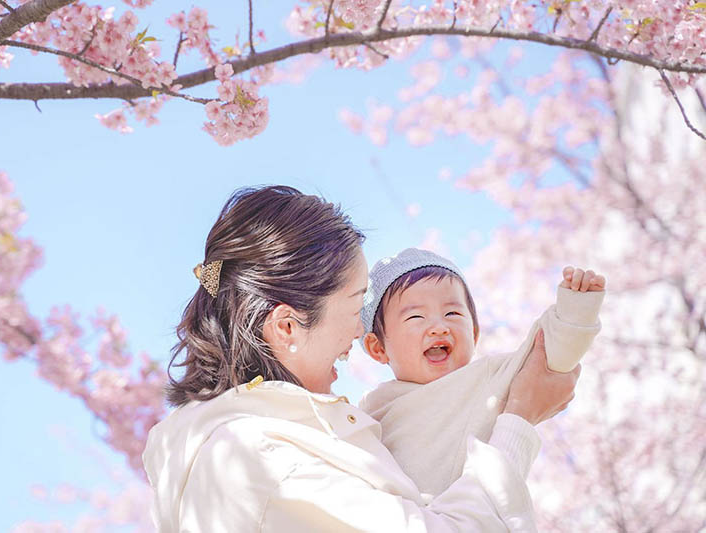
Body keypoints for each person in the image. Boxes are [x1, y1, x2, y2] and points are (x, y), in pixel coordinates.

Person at [142, 186, 580, 533]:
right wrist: (519, 419)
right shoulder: (271, 460)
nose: (359, 332)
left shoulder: (256, 443)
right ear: (288, 327)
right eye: (355, 308)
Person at [358, 248, 605, 496]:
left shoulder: (488, 379)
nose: (439, 327)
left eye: (452, 313)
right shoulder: (369, 414)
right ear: (378, 347)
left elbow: (547, 359)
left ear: (474, 334)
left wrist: (575, 311)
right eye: (416, 317)